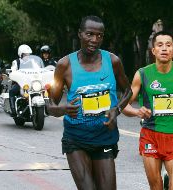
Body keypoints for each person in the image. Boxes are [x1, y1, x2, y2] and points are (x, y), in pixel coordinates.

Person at [47, 15, 132, 190]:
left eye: (99, 35)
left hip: (105, 136)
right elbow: (50, 106)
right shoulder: (64, 65)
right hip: (76, 138)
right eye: (89, 34)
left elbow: (128, 91)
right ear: (80, 34)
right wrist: (62, 109)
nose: (94, 40)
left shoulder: (113, 61)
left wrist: (116, 110)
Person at [123, 31, 173, 190]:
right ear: (154, 51)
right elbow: (124, 105)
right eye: (160, 45)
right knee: (156, 187)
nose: (164, 48)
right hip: (151, 137)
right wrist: (138, 112)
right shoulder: (142, 74)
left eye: (168, 45)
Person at [9, 44, 32, 117]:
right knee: (12, 91)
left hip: (31, 83)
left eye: (28, 54)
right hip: (20, 83)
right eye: (25, 54)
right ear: (21, 54)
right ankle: (13, 110)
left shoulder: (32, 62)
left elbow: (39, 69)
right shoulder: (16, 62)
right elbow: (13, 71)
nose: (27, 56)